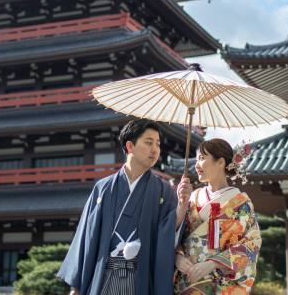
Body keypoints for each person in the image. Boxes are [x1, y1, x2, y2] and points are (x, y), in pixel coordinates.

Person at [57, 119, 192, 295]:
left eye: (158, 144)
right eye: (148, 142)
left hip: (140, 277)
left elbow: (167, 230)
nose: (155, 150)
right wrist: (76, 287)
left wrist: (182, 204)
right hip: (105, 274)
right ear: (130, 146)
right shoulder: (103, 188)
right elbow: (86, 237)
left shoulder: (163, 190)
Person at [174, 139, 261, 294]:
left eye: (201, 158)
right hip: (187, 280)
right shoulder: (191, 197)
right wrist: (178, 257)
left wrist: (214, 263)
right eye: (196, 159)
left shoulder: (240, 202)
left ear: (220, 162)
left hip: (221, 283)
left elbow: (252, 243)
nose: (196, 164)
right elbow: (175, 235)